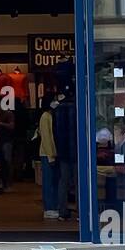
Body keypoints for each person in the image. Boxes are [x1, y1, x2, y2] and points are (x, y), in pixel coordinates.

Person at [52, 87, 78, 221]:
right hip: (77, 151)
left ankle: (62, 211)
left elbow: (55, 132)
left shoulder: (58, 110)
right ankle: (81, 211)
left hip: (63, 150)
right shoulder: (78, 108)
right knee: (79, 181)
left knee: (63, 182)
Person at [37, 95, 59, 219]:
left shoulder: (51, 116)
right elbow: (46, 138)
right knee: (48, 182)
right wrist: (51, 156)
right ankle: (48, 208)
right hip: (47, 154)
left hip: (51, 154)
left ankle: (53, 206)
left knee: (52, 181)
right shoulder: (45, 116)